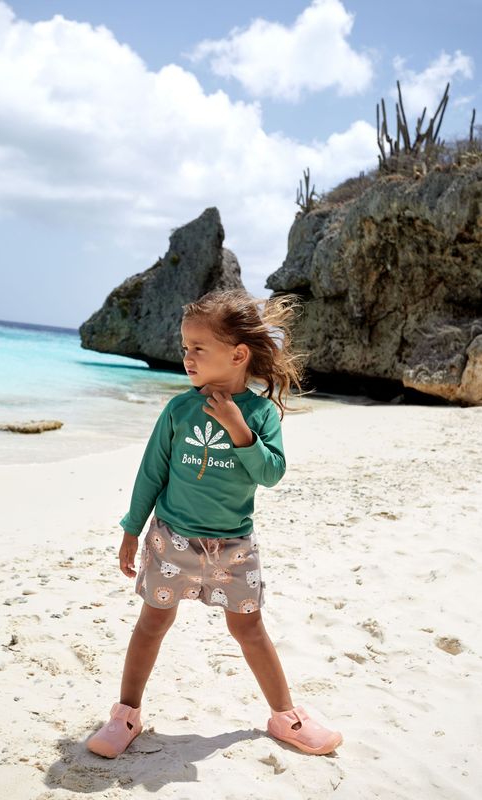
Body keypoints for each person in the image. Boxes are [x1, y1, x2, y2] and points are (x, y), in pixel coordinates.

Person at [86, 288, 343, 758]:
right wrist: (130, 529)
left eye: (198, 348)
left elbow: (270, 473)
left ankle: (286, 716)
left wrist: (236, 427)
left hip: (233, 548)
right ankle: (126, 713)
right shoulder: (178, 410)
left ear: (238, 354)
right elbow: (151, 473)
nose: (187, 357)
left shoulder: (261, 413)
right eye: (185, 348)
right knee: (151, 623)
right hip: (171, 540)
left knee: (248, 630)